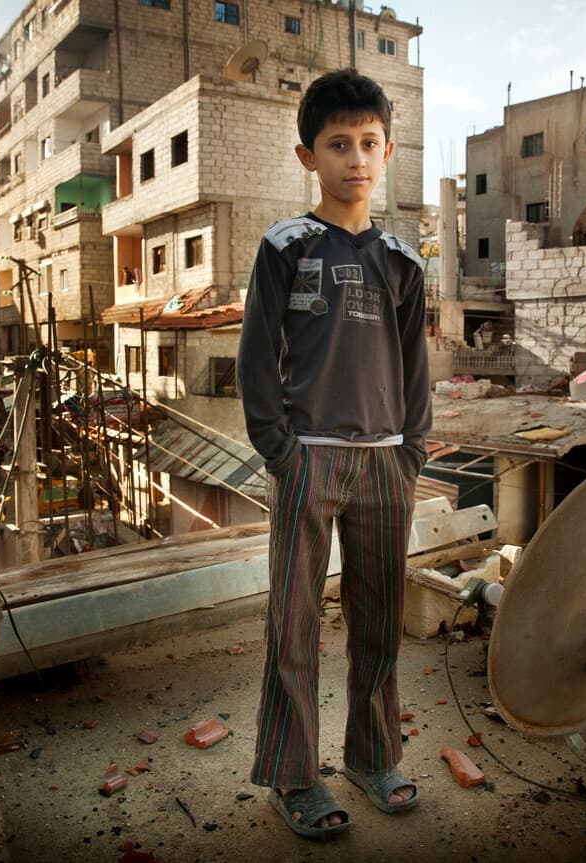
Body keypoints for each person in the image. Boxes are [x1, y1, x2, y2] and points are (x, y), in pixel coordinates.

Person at [237, 69, 431, 840]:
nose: (356, 157)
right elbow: (256, 356)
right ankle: (293, 775)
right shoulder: (286, 246)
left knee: (379, 619)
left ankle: (372, 756)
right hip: (308, 457)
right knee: (294, 624)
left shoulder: (404, 261)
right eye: (338, 144)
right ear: (307, 155)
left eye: (369, 143)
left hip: (388, 460)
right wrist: (280, 450)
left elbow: (416, 366)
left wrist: (413, 449)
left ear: (388, 151)